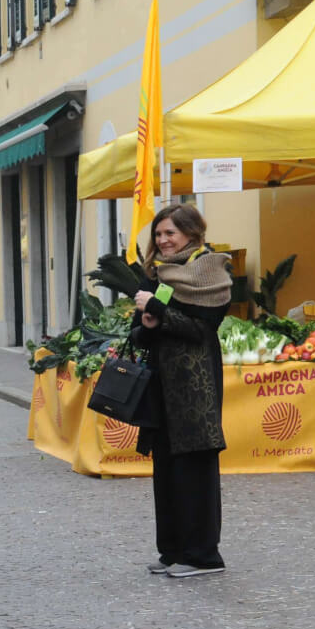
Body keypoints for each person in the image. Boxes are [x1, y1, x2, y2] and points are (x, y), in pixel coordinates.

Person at [130, 203, 231, 577]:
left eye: (170, 232)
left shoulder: (208, 271)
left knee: (195, 469)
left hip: (194, 388)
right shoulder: (158, 274)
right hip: (161, 386)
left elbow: (202, 330)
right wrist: (147, 324)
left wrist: (158, 309)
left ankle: (203, 555)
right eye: (158, 234)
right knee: (166, 469)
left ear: (190, 232)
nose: (163, 240)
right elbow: (139, 332)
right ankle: (172, 550)